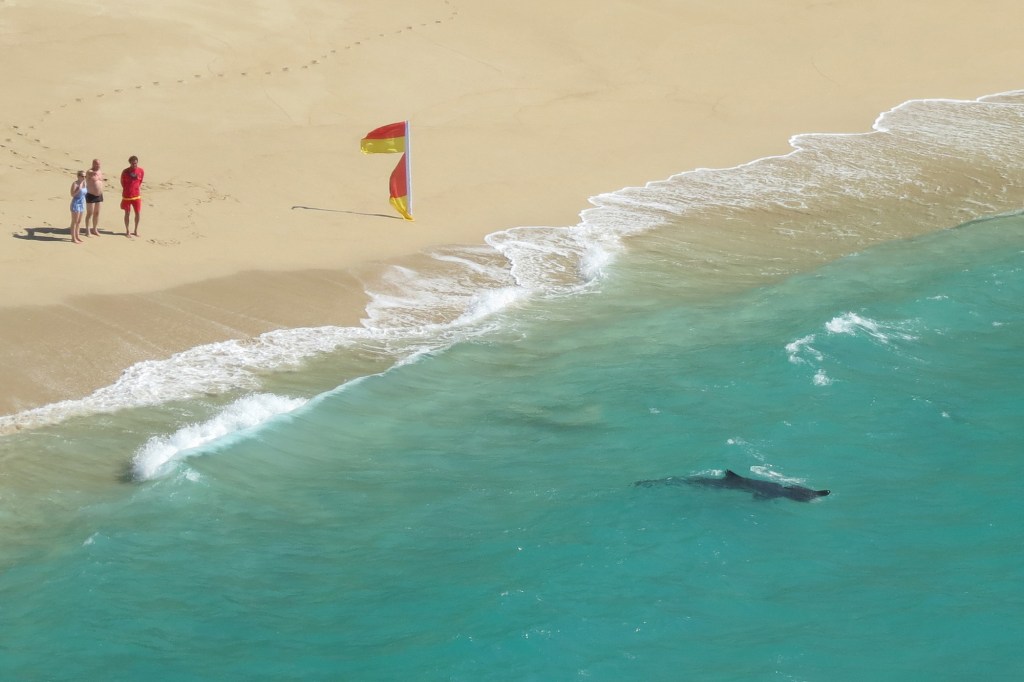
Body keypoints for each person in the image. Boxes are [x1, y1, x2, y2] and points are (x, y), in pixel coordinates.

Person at [120, 155, 145, 237]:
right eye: (133, 163)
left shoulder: (141, 171)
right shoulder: (125, 171)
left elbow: (140, 181)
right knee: (127, 213)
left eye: (136, 163)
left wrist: (135, 189)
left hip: (136, 196)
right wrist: (127, 189)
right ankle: (127, 231)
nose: (134, 165)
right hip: (127, 196)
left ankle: (136, 230)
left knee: (137, 213)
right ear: (130, 163)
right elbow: (122, 182)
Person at [84, 158, 104, 236]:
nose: (98, 165)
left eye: (99, 164)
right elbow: (89, 174)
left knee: (97, 213)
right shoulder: (90, 172)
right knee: (90, 213)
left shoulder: (100, 171)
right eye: (96, 164)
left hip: (99, 195)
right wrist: (92, 174)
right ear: (93, 164)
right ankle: (87, 230)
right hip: (90, 195)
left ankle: (95, 229)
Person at [69, 170, 87, 244]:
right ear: (78, 176)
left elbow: (85, 193)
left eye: (85, 176)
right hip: (76, 203)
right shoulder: (75, 184)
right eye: (82, 176)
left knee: (79, 221)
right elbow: (72, 194)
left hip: (82, 203)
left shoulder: (84, 183)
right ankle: (73, 238)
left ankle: (77, 236)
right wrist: (78, 189)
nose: (84, 178)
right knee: (75, 221)